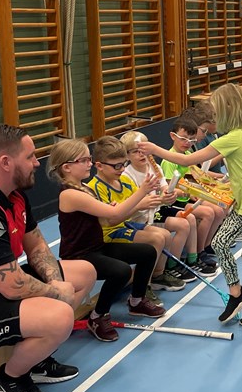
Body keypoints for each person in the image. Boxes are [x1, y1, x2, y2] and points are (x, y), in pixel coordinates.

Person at [0, 125, 95, 392]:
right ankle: (10, 379)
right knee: (60, 315)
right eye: (30, 156)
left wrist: (55, 282)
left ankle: (36, 358)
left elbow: (36, 247)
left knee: (84, 273)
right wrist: (56, 294)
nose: (37, 162)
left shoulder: (13, 194)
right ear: (6, 162)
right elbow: (11, 286)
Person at [139, 83, 242, 328]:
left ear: (228, 109)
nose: (214, 117)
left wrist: (153, 149)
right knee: (220, 243)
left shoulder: (234, 137)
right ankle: (237, 293)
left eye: (216, 111)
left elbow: (186, 160)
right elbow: (212, 162)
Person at [49, 139, 165, 343]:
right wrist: (142, 191)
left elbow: (106, 219)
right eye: (84, 160)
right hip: (79, 255)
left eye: (89, 159)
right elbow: (114, 214)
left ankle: (136, 301)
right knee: (121, 271)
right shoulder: (70, 194)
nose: (89, 163)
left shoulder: (85, 188)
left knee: (147, 252)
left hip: (97, 247)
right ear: (67, 167)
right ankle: (97, 316)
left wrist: (110, 209)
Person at [87, 136, 184, 294]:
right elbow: (110, 221)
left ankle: (157, 275)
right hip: (108, 234)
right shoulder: (96, 188)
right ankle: (144, 286)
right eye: (117, 166)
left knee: (165, 235)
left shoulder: (123, 182)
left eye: (123, 164)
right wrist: (140, 204)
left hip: (124, 225)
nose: (122, 169)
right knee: (157, 239)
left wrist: (163, 199)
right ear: (99, 166)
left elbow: (142, 202)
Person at [121, 131, 198, 284]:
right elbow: (139, 204)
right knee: (179, 226)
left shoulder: (154, 167)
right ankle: (165, 270)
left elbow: (164, 188)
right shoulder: (126, 176)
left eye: (143, 149)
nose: (141, 154)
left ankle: (173, 265)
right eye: (135, 151)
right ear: (126, 155)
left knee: (188, 218)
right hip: (139, 218)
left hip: (156, 211)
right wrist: (161, 200)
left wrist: (170, 194)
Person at [158, 114, 225, 273]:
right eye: (184, 139)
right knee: (208, 213)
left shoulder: (189, 156)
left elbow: (196, 176)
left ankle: (207, 245)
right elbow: (169, 188)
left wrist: (217, 179)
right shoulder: (169, 161)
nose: (187, 143)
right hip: (177, 202)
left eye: (191, 140)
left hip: (190, 197)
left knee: (220, 208)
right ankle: (198, 252)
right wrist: (189, 193)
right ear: (173, 136)